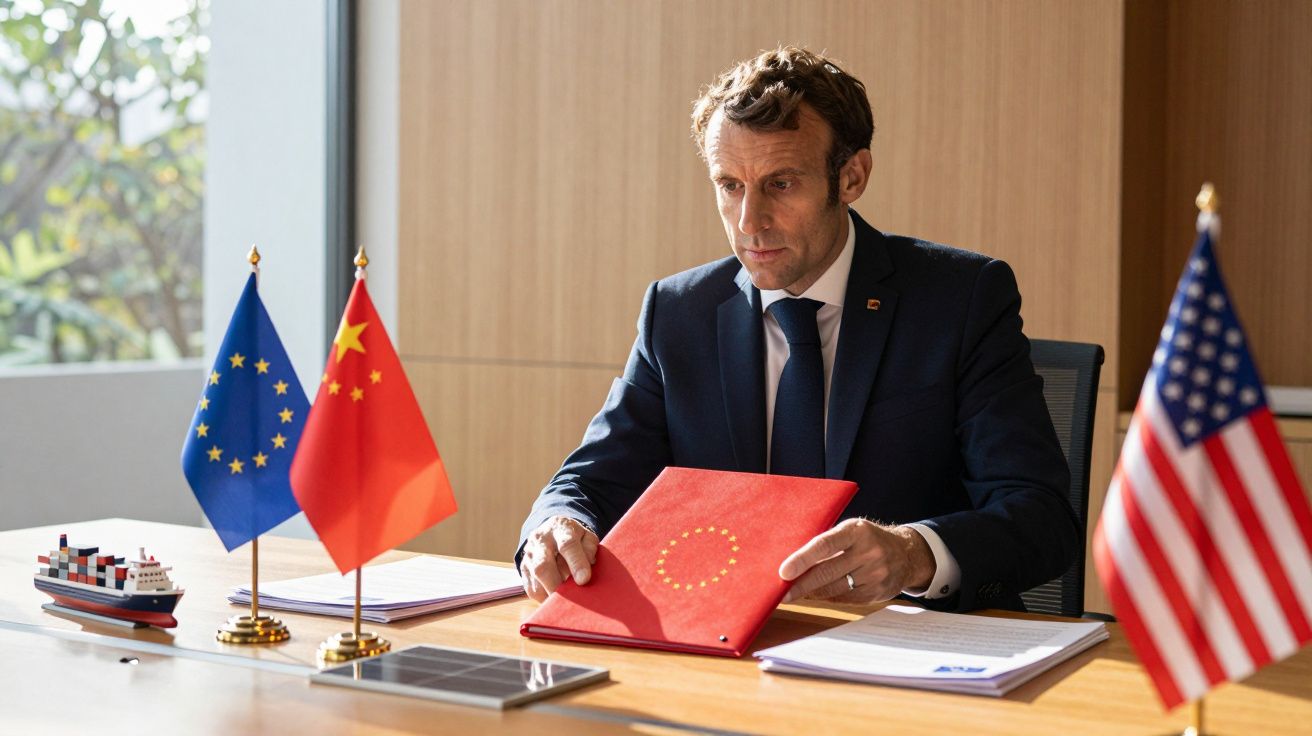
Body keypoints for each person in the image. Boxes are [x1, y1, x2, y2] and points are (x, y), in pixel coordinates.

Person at [516, 46, 1079, 613]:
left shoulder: (961, 299)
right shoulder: (678, 311)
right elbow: (591, 479)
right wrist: (557, 521)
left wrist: (915, 552)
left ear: (852, 176)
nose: (749, 222)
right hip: (725, 640)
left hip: (910, 650)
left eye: (781, 184)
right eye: (730, 185)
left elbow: (1041, 515)